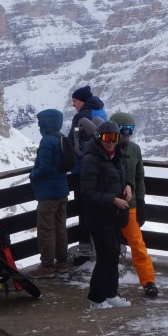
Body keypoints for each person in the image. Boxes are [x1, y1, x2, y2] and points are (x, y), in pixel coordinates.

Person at [80, 118, 132, 310]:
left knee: (113, 254)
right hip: (98, 217)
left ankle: (110, 294)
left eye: (114, 138)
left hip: (113, 216)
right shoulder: (91, 159)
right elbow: (87, 193)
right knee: (104, 256)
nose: (110, 142)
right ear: (98, 137)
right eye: (106, 138)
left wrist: (128, 186)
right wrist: (113, 200)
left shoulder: (115, 156)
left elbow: (119, 179)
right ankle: (96, 299)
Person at [109, 111, 159, 298]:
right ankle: (109, 284)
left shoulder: (134, 149)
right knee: (110, 247)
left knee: (137, 244)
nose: (127, 134)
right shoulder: (105, 149)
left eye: (130, 130)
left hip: (130, 206)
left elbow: (139, 177)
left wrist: (141, 202)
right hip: (109, 206)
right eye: (123, 130)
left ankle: (148, 282)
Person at [28, 109, 70, 279]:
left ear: (46, 123)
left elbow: (44, 168)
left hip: (48, 194)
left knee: (46, 230)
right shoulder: (61, 138)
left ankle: (47, 267)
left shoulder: (47, 141)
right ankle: (62, 263)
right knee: (60, 228)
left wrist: (32, 175)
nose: (39, 126)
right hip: (62, 191)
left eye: (40, 122)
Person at [68, 85, 108, 256]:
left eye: (75, 101)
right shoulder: (102, 112)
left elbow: (72, 142)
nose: (73, 105)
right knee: (99, 210)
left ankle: (86, 251)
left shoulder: (81, 117)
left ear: (83, 101)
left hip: (83, 170)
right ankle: (101, 248)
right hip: (102, 169)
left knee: (84, 211)